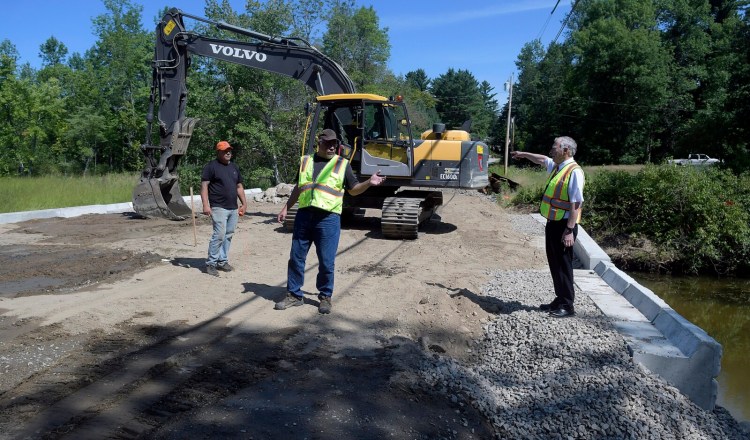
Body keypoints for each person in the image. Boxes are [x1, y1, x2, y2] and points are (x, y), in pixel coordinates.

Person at [276, 129, 386, 314]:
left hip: (328, 219)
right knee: (296, 258)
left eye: (335, 143)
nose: (332, 146)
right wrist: (286, 206)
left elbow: (353, 189)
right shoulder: (306, 161)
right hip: (304, 216)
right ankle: (294, 295)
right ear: (319, 143)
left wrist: (368, 182)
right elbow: (299, 186)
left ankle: (325, 296)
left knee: (326, 261)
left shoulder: (343, 164)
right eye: (328, 143)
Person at [511, 136, 585, 318]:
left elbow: (576, 203)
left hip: (564, 226)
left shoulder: (574, 171)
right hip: (553, 223)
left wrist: (569, 231)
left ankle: (567, 305)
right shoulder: (559, 167)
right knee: (555, 263)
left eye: (555, 147)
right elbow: (542, 159)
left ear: (566, 150)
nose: (551, 150)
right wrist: (523, 154)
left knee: (564, 265)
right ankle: (560, 299)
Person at [200, 140, 248, 277]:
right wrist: (205, 205)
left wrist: (244, 204)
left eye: (229, 151)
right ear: (218, 152)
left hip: (233, 207)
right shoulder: (211, 167)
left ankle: (222, 261)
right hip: (218, 207)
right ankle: (211, 263)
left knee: (228, 235)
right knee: (219, 235)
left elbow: (239, 187)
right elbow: (204, 186)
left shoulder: (234, 167)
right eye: (225, 151)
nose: (228, 153)